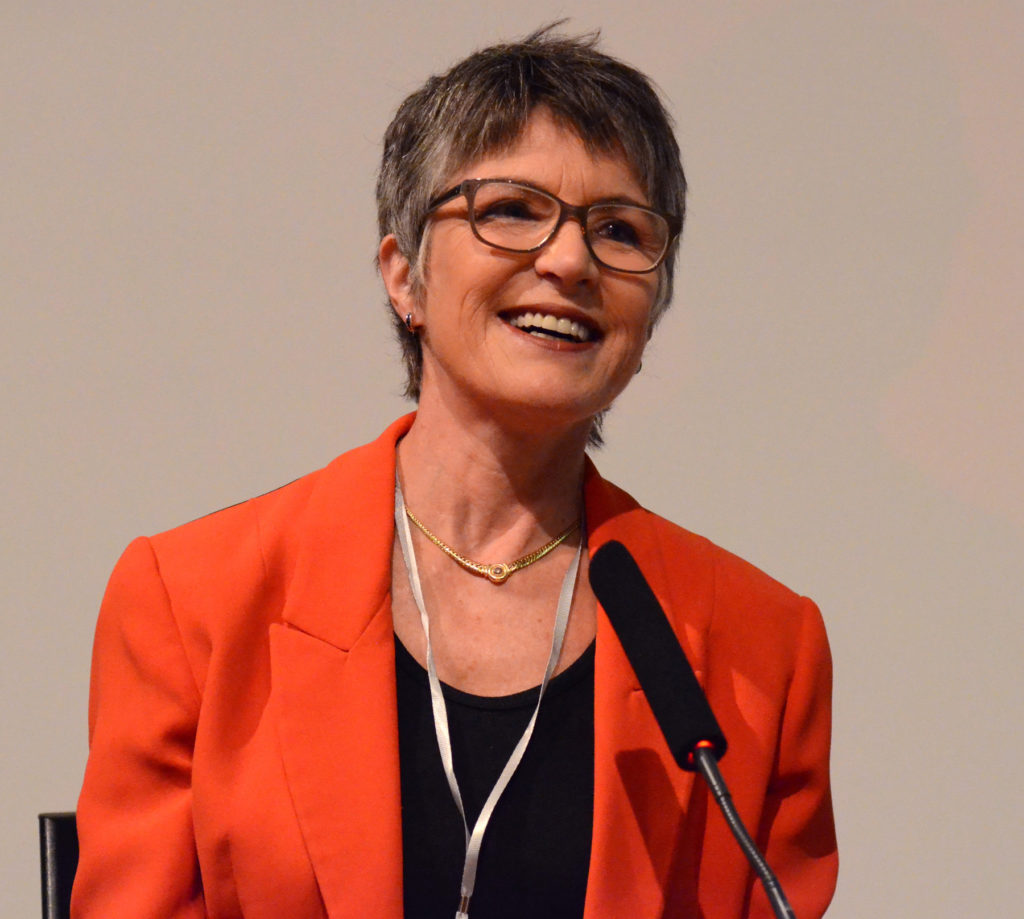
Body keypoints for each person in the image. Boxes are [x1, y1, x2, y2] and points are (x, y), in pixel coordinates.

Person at [72, 26, 837, 919]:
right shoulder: (194, 603)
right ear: (405, 276)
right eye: (511, 209)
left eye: (620, 230)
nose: (568, 260)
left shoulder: (761, 647)